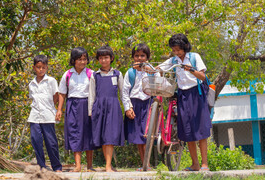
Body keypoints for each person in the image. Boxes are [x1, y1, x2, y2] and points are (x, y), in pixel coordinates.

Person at [158, 33, 212, 171]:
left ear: (185, 47)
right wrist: (150, 69)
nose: (176, 53)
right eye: (174, 50)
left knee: (201, 130)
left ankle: (204, 164)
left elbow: (203, 76)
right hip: (183, 96)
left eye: (178, 50)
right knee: (187, 131)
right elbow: (160, 68)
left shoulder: (194, 57)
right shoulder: (174, 60)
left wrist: (191, 69)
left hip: (197, 94)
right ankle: (195, 164)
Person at [56, 47, 95, 172]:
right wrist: (59, 110)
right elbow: (62, 93)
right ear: (73, 60)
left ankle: (89, 166)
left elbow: (96, 92)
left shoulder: (91, 74)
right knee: (74, 133)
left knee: (89, 133)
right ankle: (77, 165)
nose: (82, 62)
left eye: (84, 59)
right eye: (79, 59)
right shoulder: (67, 75)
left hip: (87, 104)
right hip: (72, 105)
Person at [88, 46, 124, 172]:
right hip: (99, 107)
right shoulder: (94, 75)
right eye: (101, 58)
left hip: (113, 107)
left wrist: (128, 108)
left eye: (106, 58)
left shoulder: (118, 74)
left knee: (110, 135)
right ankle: (108, 165)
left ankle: (108, 165)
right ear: (98, 60)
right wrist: (90, 111)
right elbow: (91, 94)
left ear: (111, 58)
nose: (104, 60)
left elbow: (123, 93)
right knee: (103, 136)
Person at [28, 55, 62, 172]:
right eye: (38, 67)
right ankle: (42, 166)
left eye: (43, 67)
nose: (40, 70)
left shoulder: (51, 81)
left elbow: (56, 96)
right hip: (34, 116)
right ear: (34, 68)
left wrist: (55, 109)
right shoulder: (31, 84)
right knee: (35, 139)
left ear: (47, 67)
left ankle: (57, 166)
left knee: (51, 142)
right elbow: (32, 98)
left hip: (48, 115)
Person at [122, 43, 154, 171]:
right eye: (137, 56)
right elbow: (125, 91)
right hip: (134, 105)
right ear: (133, 57)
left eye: (142, 56)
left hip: (149, 104)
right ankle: (144, 164)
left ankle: (148, 163)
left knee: (147, 134)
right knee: (138, 137)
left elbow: (158, 84)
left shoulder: (152, 71)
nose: (139, 58)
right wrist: (128, 108)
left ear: (147, 57)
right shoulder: (130, 72)